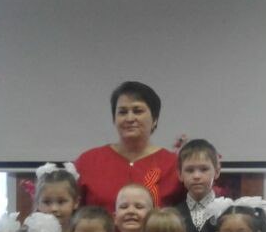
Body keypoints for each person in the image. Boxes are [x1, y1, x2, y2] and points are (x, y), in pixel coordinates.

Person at [74, 81, 184, 212]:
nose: (130, 118)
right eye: (122, 112)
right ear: (114, 119)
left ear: (155, 119)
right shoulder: (88, 162)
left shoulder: (174, 165)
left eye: (137, 111)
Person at [176, 138, 221, 232]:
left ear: (217, 171)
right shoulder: (173, 215)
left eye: (204, 169)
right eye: (189, 170)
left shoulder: (228, 213)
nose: (196, 176)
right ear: (180, 174)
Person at [34, 162, 81, 232]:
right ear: (38, 204)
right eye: (47, 202)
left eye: (61, 202)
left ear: (75, 202)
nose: (54, 208)